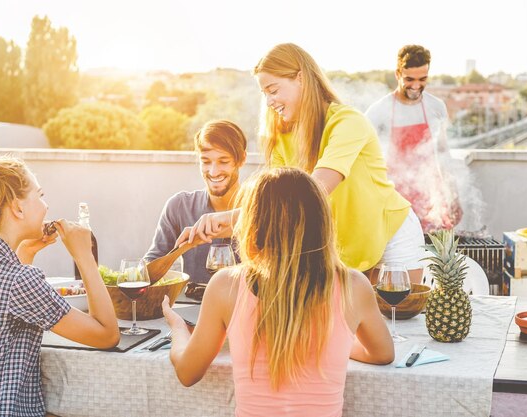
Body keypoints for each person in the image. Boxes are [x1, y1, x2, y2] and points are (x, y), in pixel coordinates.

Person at [178, 43, 424, 284]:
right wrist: (227, 222)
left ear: (301, 78)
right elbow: (276, 207)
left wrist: (231, 218)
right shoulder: (282, 140)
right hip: (345, 246)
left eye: (273, 90)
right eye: (265, 94)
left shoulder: (347, 122)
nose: (270, 102)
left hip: (391, 234)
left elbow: (313, 192)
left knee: (398, 320)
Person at [162, 167, 394, 416]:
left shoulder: (225, 286)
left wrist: (177, 326)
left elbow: (187, 373)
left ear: (252, 226)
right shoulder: (354, 286)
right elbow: (382, 353)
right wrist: (335, 343)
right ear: (322, 222)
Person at [0, 153, 119, 417]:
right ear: (18, 208)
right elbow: (107, 335)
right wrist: (84, 255)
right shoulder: (19, 280)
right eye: (39, 195)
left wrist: (26, 251)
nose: (45, 205)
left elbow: (2, 308)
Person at [365, 44, 463, 233]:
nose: (416, 85)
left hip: (430, 197)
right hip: (393, 198)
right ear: (397, 74)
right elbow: (365, 160)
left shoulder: (436, 107)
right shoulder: (378, 112)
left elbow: (443, 153)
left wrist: (453, 196)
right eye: (409, 79)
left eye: (422, 79)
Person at [144, 119, 247, 284]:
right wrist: (183, 248)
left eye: (223, 161)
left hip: (245, 306)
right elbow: (148, 272)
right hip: (190, 307)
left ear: (241, 160)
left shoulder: (262, 210)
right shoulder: (179, 206)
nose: (213, 171)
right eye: (206, 161)